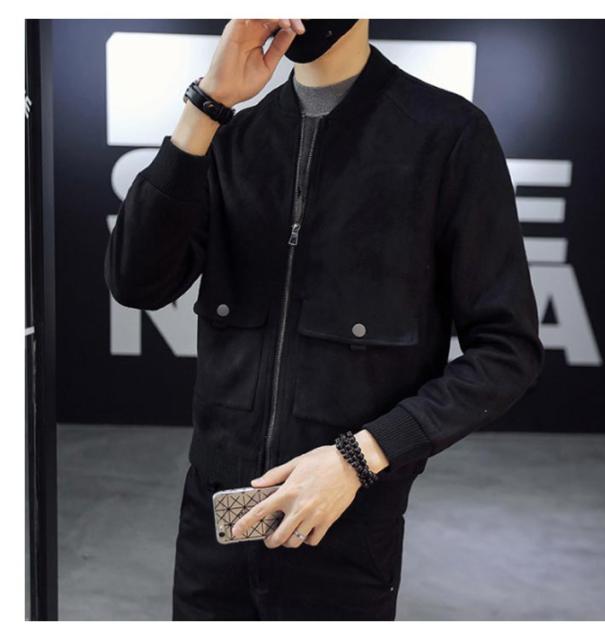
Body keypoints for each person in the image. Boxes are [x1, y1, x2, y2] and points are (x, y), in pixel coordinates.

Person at [104, 18, 544, 621]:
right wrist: (207, 104)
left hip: (345, 531)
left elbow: (507, 351)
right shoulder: (234, 137)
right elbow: (136, 282)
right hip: (215, 530)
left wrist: (360, 457)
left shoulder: (446, 136)